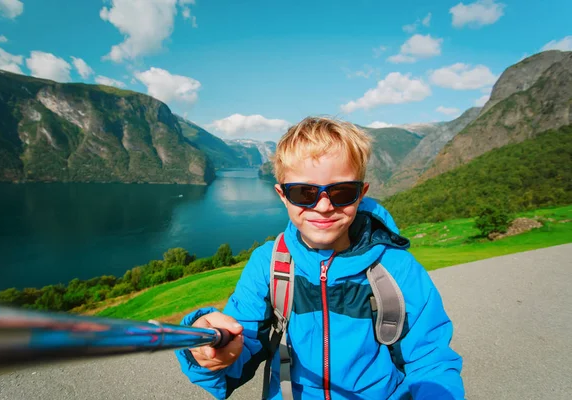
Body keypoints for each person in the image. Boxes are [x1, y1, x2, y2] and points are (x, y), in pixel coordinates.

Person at [175, 117, 464, 399]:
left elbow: (429, 360)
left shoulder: (396, 267)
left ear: (361, 193)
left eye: (342, 192)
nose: (323, 206)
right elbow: (240, 346)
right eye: (304, 192)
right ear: (282, 195)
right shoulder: (269, 264)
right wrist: (206, 346)